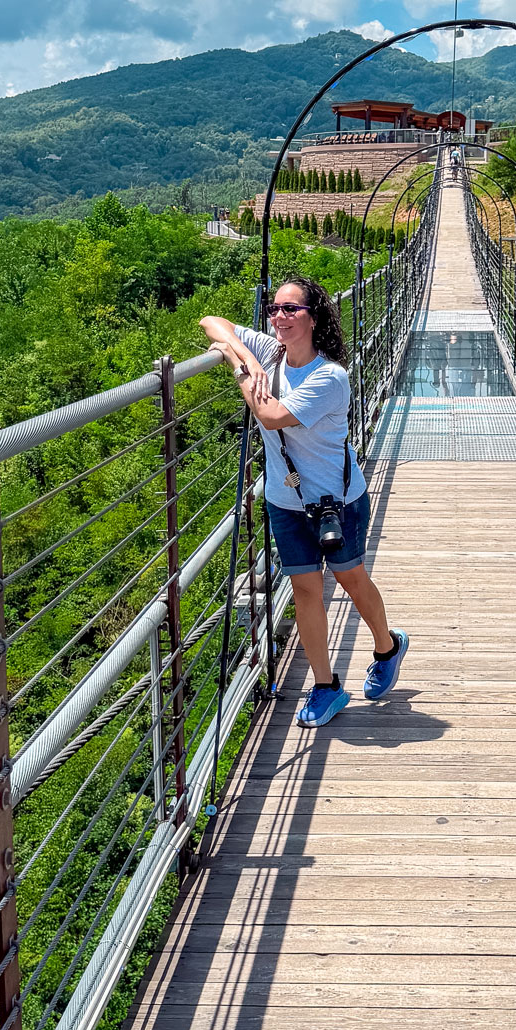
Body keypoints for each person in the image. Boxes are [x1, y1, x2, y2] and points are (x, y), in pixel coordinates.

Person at [200, 278, 408, 727]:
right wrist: (247, 354)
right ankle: (326, 686)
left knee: (350, 580)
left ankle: (388, 646)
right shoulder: (271, 352)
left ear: (314, 317)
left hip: (337, 500)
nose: (279, 317)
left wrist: (239, 370)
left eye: (291, 310)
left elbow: (271, 416)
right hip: (285, 501)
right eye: (273, 308)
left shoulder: (329, 377)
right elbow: (211, 322)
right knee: (305, 591)